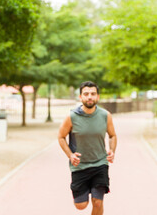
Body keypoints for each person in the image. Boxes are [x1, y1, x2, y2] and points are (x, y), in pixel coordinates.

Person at [58, 81, 117, 215]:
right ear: (80, 97)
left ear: (98, 97)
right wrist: (70, 155)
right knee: (81, 205)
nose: (89, 97)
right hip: (79, 166)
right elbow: (61, 137)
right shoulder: (71, 117)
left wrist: (112, 151)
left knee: (97, 202)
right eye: (86, 94)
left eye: (93, 94)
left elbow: (112, 135)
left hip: (100, 163)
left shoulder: (105, 115)